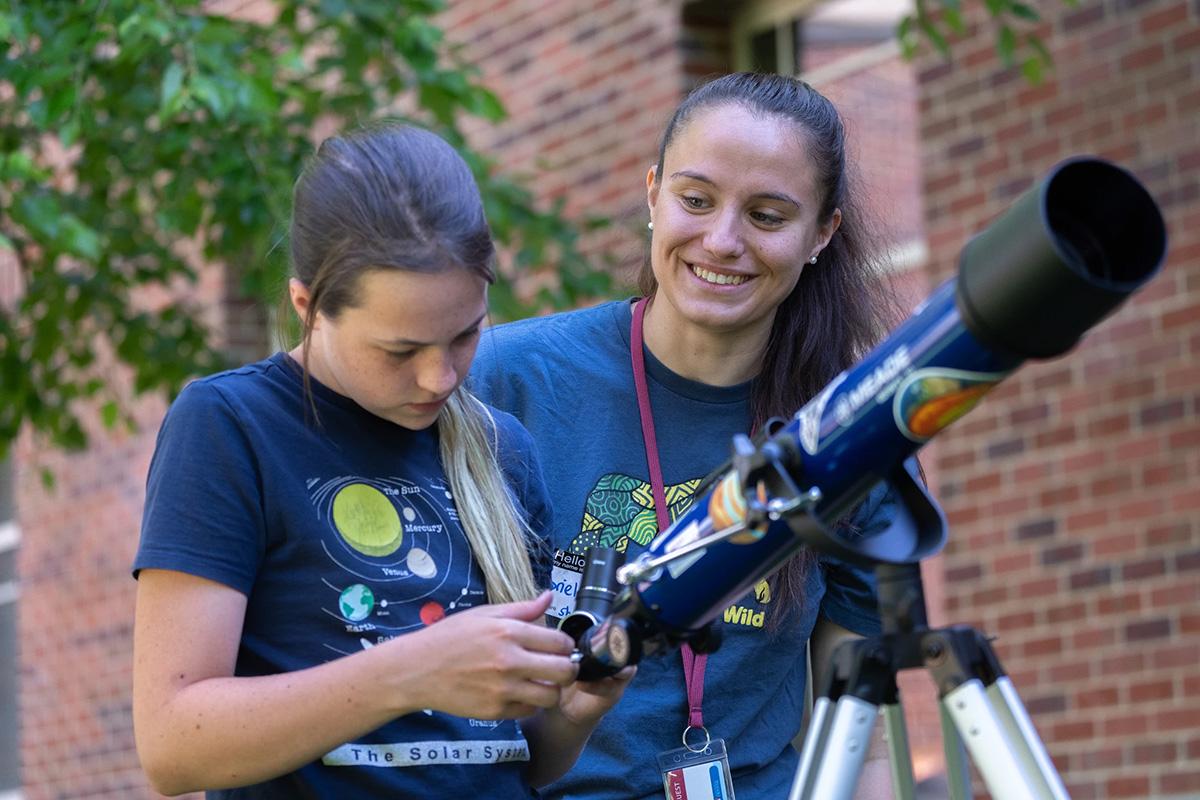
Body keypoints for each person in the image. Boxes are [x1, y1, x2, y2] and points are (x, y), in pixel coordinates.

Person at [131, 122, 632, 799]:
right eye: (400, 351)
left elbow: (519, 761)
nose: (440, 378)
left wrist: (570, 716)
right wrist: (410, 672)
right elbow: (172, 745)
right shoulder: (230, 427)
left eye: (464, 335)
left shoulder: (501, 446)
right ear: (307, 306)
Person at [470, 72, 911, 798]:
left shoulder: (851, 435)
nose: (723, 240)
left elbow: (859, 740)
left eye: (768, 215)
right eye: (696, 201)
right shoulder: (502, 381)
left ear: (821, 233)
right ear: (653, 194)